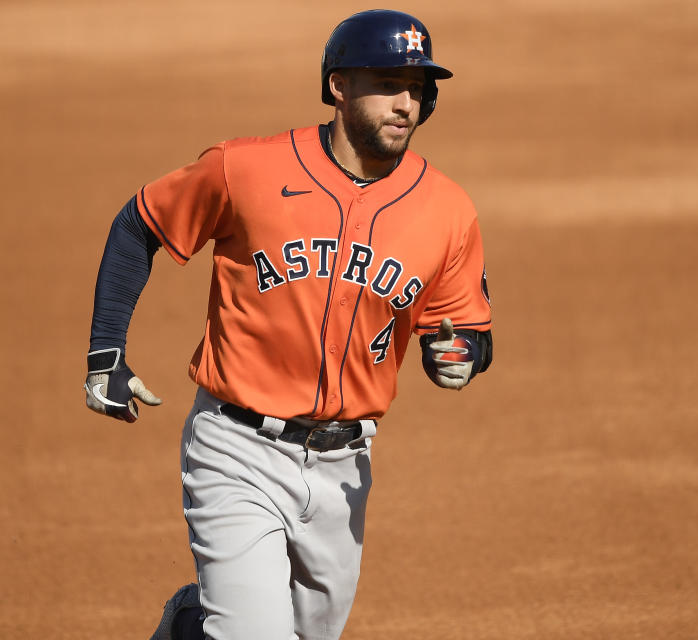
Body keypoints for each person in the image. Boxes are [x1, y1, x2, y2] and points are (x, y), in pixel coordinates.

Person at [82, 10, 493, 640]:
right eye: (387, 82)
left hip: (345, 469)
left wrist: (463, 355)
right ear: (338, 86)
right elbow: (139, 223)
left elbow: (466, 328)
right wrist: (106, 352)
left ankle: (190, 623)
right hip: (236, 448)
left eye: (417, 88)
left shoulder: (448, 210)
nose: (405, 102)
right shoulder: (245, 170)